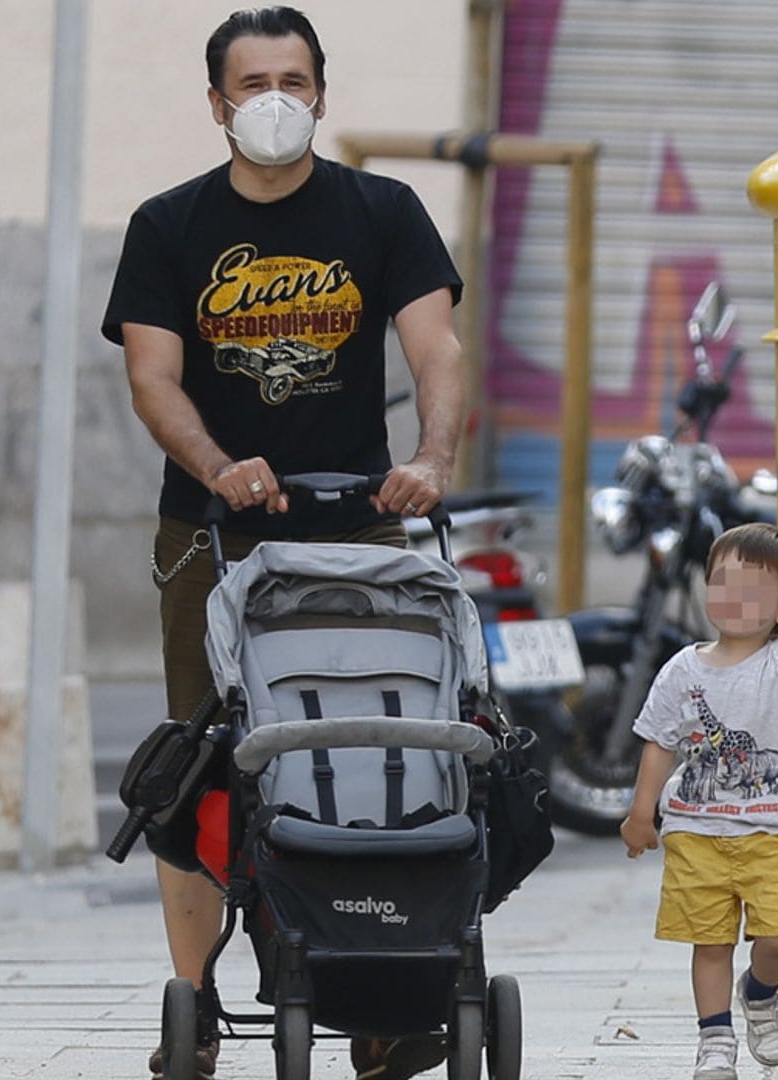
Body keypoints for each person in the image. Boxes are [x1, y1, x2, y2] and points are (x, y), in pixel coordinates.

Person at [99, 8, 465, 1079]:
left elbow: (436, 345)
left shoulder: (383, 211)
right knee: (197, 765)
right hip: (213, 538)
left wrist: (433, 458)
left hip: (357, 525)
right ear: (216, 103)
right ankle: (197, 998)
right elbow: (151, 378)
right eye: (251, 81)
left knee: (374, 752)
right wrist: (220, 467)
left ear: (321, 92)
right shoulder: (168, 227)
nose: (274, 98)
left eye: (293, 79)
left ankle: (384, 989)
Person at [620, 524, 778, 1080]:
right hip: (695, 833)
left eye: (753, 590)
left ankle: (759, 993)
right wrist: (642, 812)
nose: (733, 599)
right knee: (709, 943)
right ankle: (715, 1039)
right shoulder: (682, 669)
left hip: (772, 834)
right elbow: (660, 743)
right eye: (723, 583)